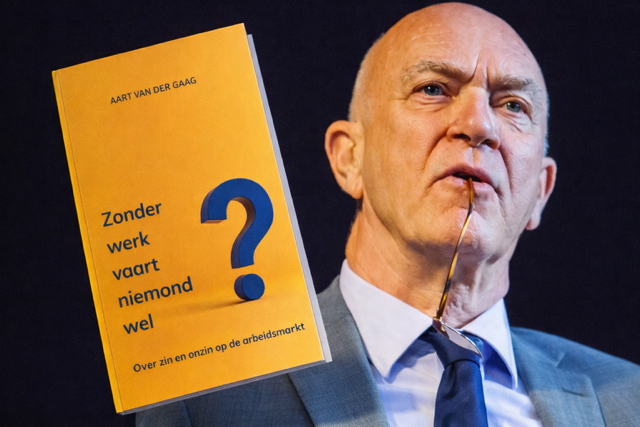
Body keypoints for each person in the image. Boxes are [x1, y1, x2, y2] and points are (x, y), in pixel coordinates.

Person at [138, 3, 640, 426]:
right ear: (349, 159)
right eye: (433, 89)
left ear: (541, 192)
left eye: (512, 105)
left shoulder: (630, 401)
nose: (478, 124)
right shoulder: (206, 395)